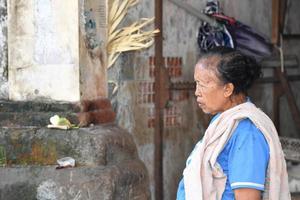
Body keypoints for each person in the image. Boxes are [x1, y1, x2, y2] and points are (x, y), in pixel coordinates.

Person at [177, 47, 290, 200]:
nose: (197, 92)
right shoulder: (223, 120)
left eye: (202, 85)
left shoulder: (247, 134)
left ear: (228, 89)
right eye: (196, 84)